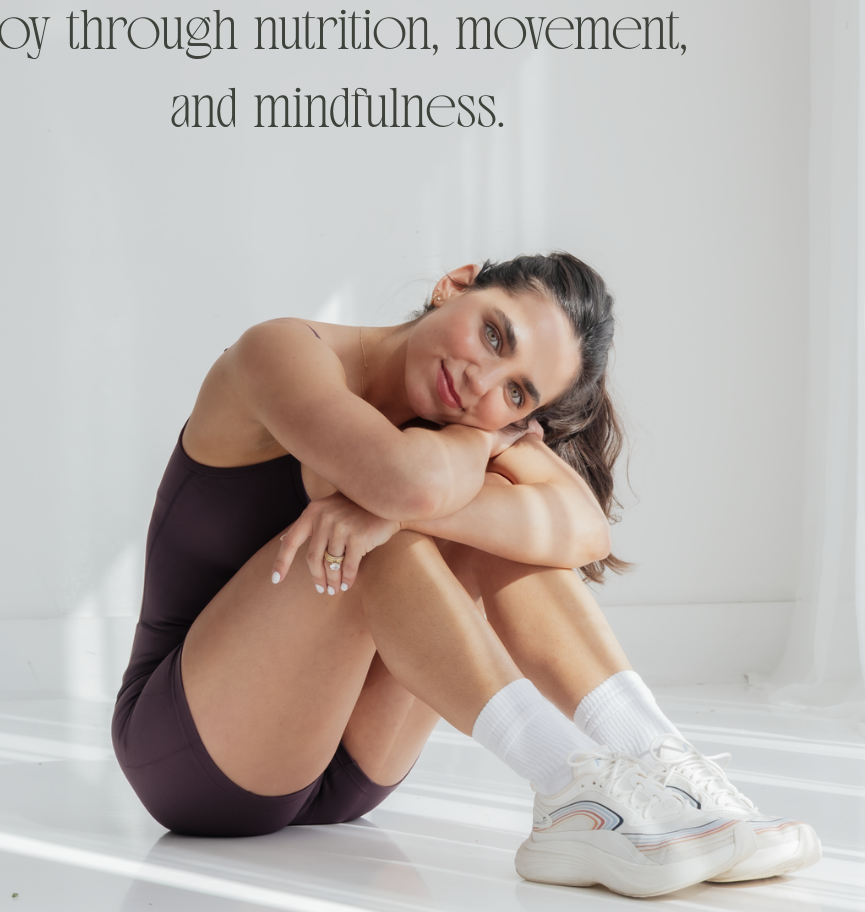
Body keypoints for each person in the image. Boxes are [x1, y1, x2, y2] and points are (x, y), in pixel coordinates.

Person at [112, 252, 819, 899]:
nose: (482, 381)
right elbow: (401, 483)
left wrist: (414, 499)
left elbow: (582, 528)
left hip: (351, 774)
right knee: (388, 521)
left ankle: (662, 761)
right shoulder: (282, 351)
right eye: (495, 336)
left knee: (467, 524)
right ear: (454, 284)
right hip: (193, 755)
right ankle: (567, 784)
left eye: (518, 395)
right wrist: (481, 437)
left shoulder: (447, 423)